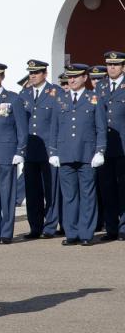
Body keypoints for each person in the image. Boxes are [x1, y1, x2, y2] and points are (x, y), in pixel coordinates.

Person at [49, 64, 106, 246]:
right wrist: (53, 152)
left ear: (85, 78)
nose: (71, 80)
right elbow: (54, 128)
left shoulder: (94, 98)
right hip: (65, 154)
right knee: (69, 196)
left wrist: (100, 151)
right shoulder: (60, 99)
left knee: (88, 195)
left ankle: (86, 233)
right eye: (69, 77)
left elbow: (101, 128)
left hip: (87, 154)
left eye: (76, 76)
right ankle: (72, 232)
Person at [0, 62, 27, 244]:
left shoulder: (13, 99)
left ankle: (6, 232)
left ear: (2, 77)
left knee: (7, 194)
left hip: (7, 153)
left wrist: (20, 150)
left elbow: (22, 129)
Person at [20, 59, 62, 239]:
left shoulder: (56, 92)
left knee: (50, 189)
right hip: (30, 150)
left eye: (36, 72)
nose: (33, 76)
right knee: (32, 190)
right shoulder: (24, 93)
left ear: (45, 74)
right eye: (31, 73)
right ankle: (35, 226)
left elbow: (60, 122)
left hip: (49, 150)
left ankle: (50, 226)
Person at [95, 51, 125, 241]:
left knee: (123, 188)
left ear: (123, 67)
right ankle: (111, 227)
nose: (111, 68)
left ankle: (123, 227)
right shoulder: (101, 86)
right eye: (109, 64)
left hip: (123, 146)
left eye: (115, 65)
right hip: (104, 147)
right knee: (107, 188)